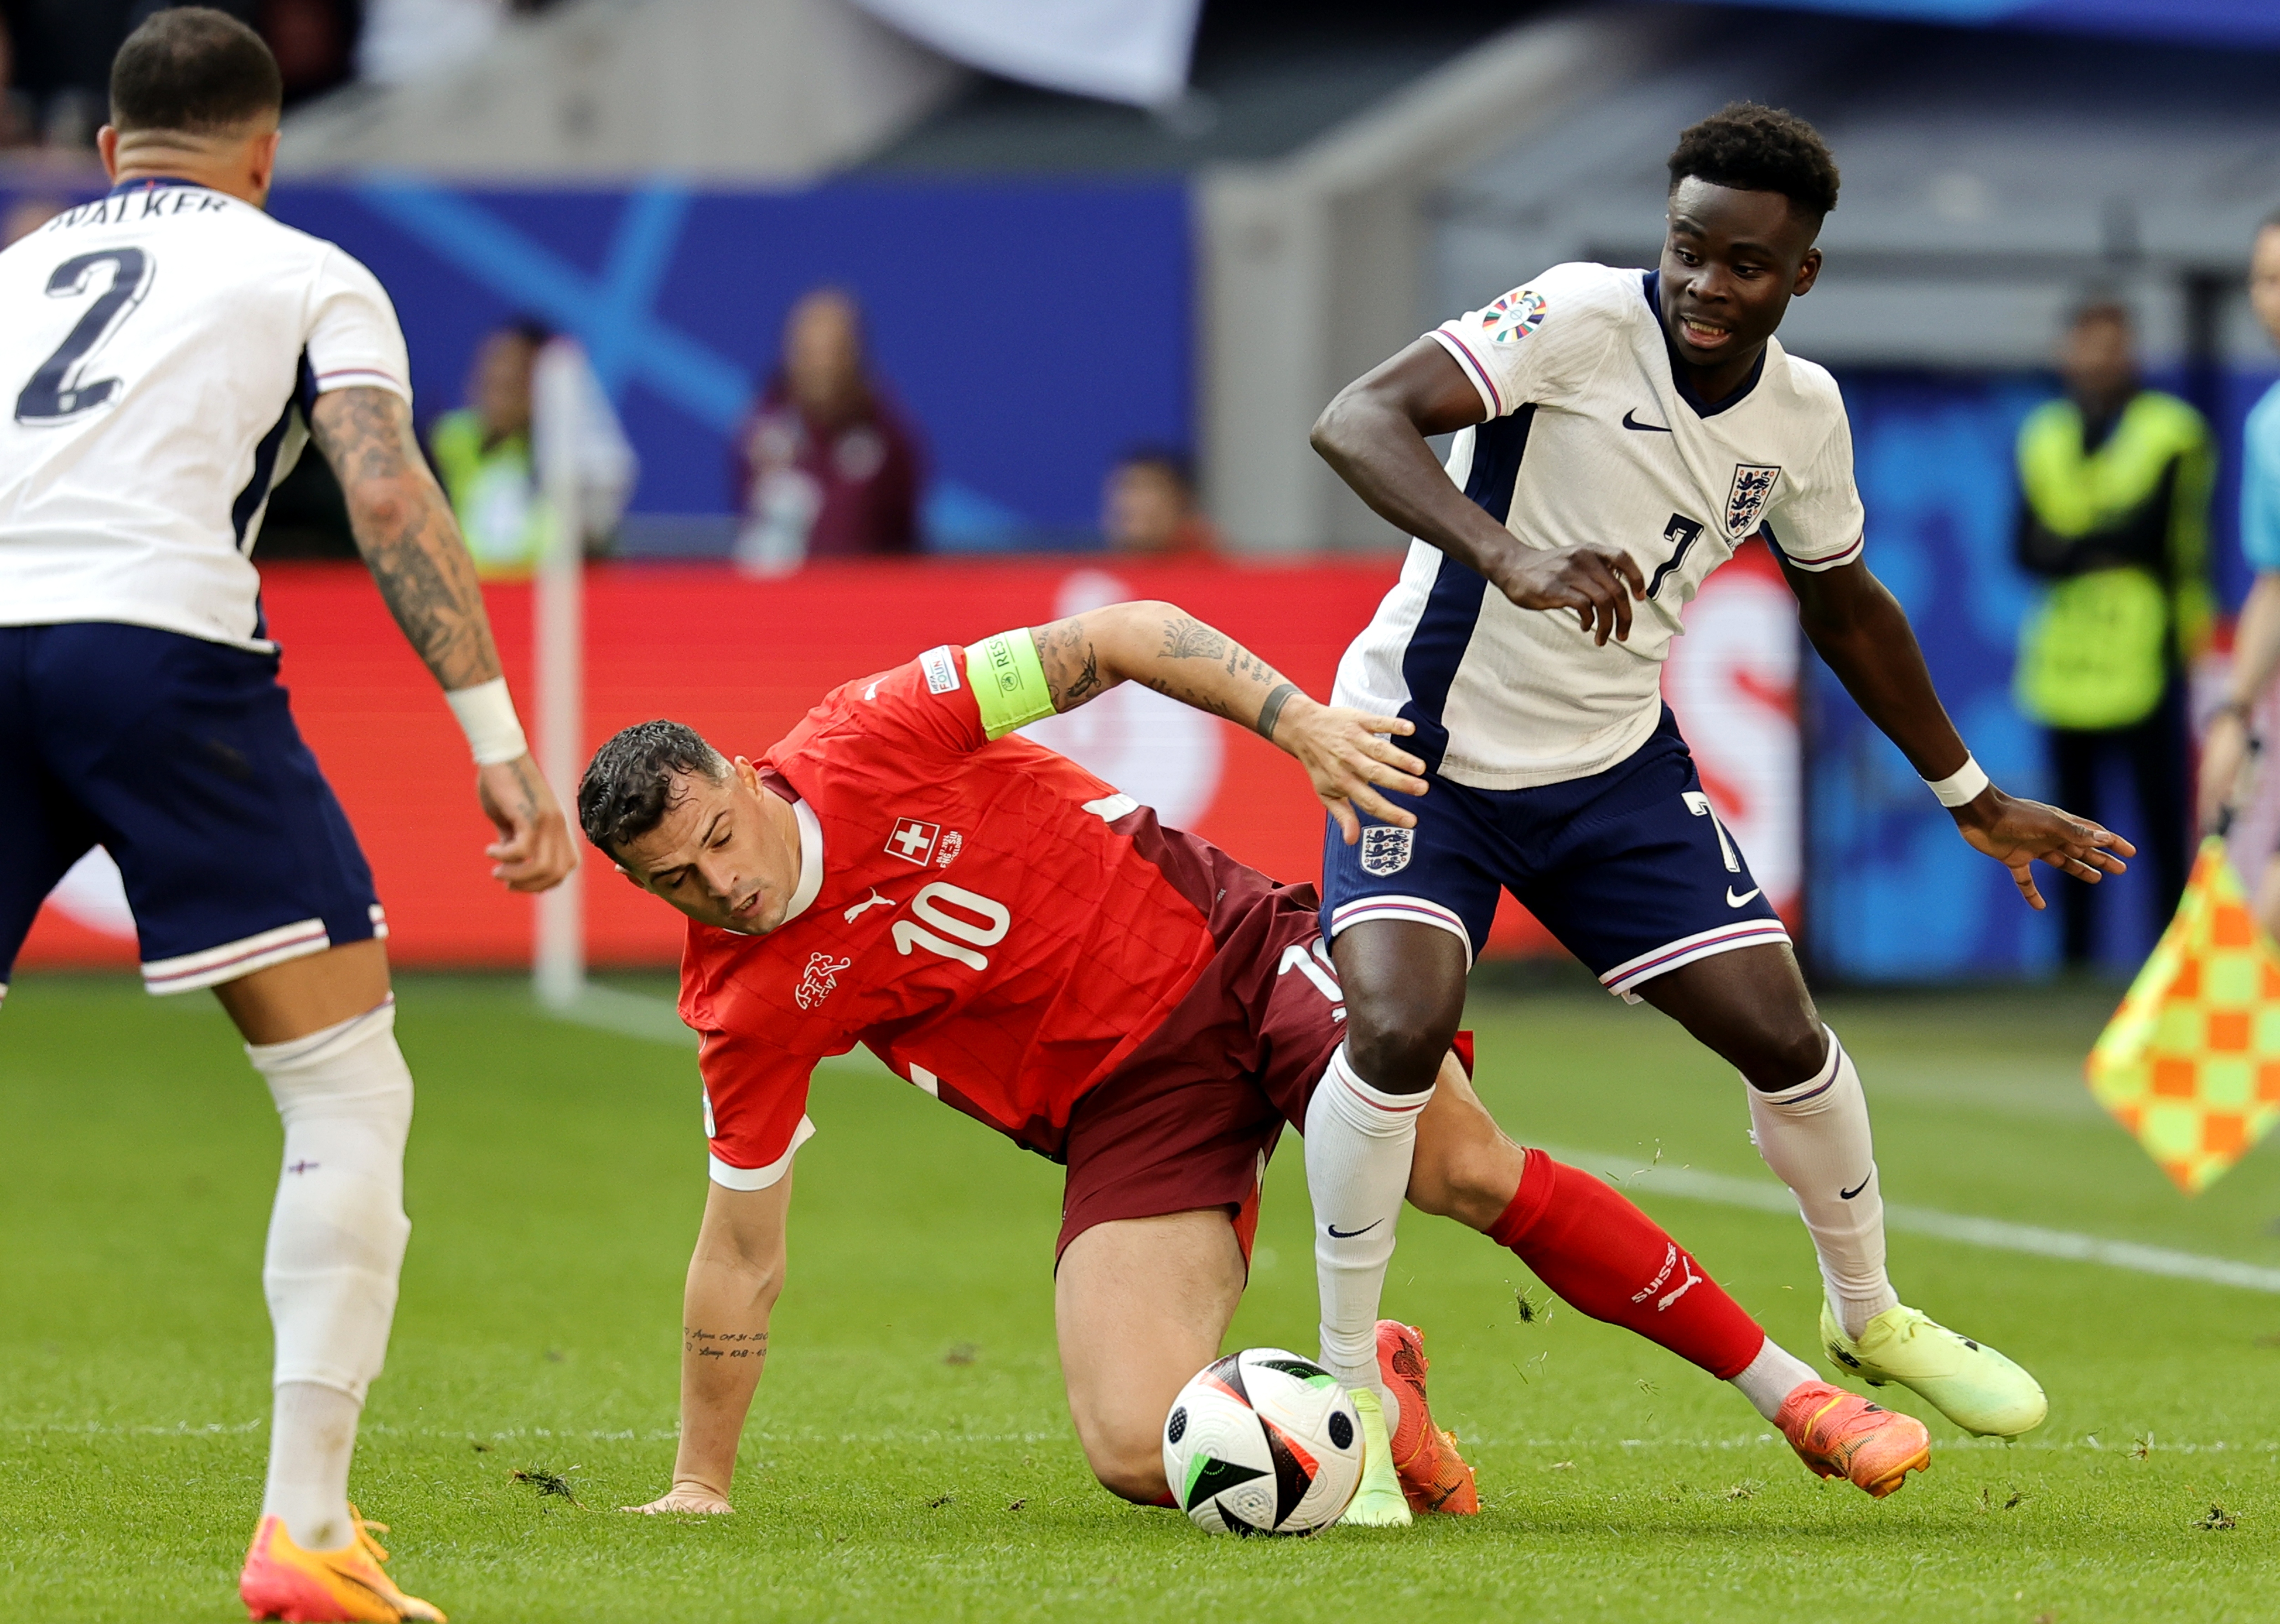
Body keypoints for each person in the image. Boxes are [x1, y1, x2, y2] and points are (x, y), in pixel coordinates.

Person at [574, 599, 1935, 1528]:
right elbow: (738, 1245)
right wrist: (702, 1479)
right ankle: (1370, 1396)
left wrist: (1291, 719)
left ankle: (1796, 1393)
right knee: (1130, 1444)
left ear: (743, 776)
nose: (721, 884)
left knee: (1457, 1167)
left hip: (1232, 954)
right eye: (674, 880)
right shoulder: (741, 1002)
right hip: (1124, 1105)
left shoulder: (879, 724)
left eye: (717, 838)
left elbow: (1120, 636)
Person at [1301, 101, 2135, 1446]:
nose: (1704, 282)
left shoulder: (1802, 415)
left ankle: (1866, 1312)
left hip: (1610, 770)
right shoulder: (1572, 317)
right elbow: (1358, 419)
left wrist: (1967, 791)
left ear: (1798, 273)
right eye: (1688, 247)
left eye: (1743, 263)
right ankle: (1343, 1382)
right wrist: (1508, 557)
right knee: (1398, 1028)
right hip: (1422, 751)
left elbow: (1845, 604)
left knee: (1782, 1032)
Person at [0, 13, 577, 1622]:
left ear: (108, 149)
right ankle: (305, 1534)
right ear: (264, 150)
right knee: (341, 1083)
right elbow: (384, 488)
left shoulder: (13, 268)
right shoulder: (305, 267)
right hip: (158, 646)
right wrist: (500, 745)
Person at [2014, 299, 2213, 964]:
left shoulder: (2172, 431)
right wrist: (2101, 543)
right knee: (2067, 821)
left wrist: (2071, 541)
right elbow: (2025, 549)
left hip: (2148, 651)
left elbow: (2154, 536)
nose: (2098, 359)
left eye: (2111, 345)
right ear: (2066, 351)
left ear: (2132, 352)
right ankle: (2074, 963)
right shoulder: (2041, 433)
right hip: (2065, 660)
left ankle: (2171, 959)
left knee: (2160, 820)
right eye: (2086, 344)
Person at [2197, 211, 2280, 934]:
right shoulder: (2268, 427)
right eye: (2265, 280)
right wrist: (2234, 713)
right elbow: (2274, 585)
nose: (2273, 299)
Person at [731, 286, 923, 572]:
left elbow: (903, 531)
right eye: (809, 352)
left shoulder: (888, 438)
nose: (821, 367)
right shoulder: (761, 431)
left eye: (833, 352)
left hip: (865, 601)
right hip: (780, 601)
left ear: (855, 355)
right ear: (790, 353)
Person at [427, 317, 633, 579]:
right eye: (492, 373)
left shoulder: (570, 455)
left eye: (515, 379)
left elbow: (608, 483)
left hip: (542, 606)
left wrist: (567, 382)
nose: (500, 381)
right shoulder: (445, 442)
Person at [1104, 445, 1219, 556]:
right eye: (1126, 486)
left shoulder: (1217, 572)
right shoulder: (1093, 568)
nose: (1131, 501)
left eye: (1148, 487)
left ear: (1182, 501)